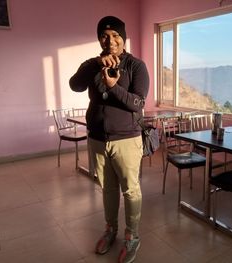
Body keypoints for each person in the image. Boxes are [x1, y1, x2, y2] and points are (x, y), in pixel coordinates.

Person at [69, 16, 149, 263]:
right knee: (108, 189)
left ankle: (132, 236)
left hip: (127, 139)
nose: (110, 40)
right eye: (104, 35)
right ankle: (110, 229)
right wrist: (94, 65)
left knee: (131, 190)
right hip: (97, 138)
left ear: (123, 38)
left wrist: (114, 86)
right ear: (99, 39)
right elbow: (75, 85)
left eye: (116, 35)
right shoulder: (93, 63)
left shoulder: (136, 66)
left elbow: (138, 103)